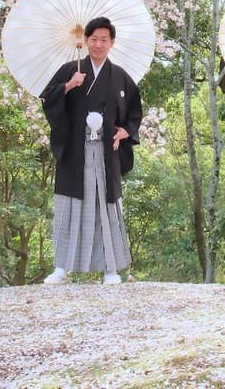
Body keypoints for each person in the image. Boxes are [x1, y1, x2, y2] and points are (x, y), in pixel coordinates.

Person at [39, 16, 142, 284]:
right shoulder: (69, 70)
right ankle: (62, 267)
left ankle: (110, 269)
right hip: (75, 151)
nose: (98, 44)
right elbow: (47, 99)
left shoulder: (119, 76)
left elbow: (134, 111)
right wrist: (69, 85)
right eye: (93, 39)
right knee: (70, 206)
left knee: (105, 207)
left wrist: (126, 131)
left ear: (112, 43)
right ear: (84, 42)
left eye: (104, 40)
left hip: (107, 152)